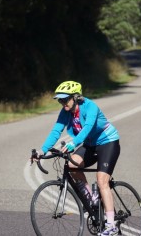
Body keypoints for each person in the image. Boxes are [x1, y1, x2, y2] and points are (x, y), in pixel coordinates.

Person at [36, 80, 121, 236]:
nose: (62, 103)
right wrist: (42, 150)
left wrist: (72, 143)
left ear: (76, 97)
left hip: (107, 142)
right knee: (72, 165)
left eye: (65, 99)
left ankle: (111, 225)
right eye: (60, 100)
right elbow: (56, 131)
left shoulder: (90, 107)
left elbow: (88, 128)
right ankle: (91, 199)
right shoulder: (66, 111)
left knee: (102, 180)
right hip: (90, 145)